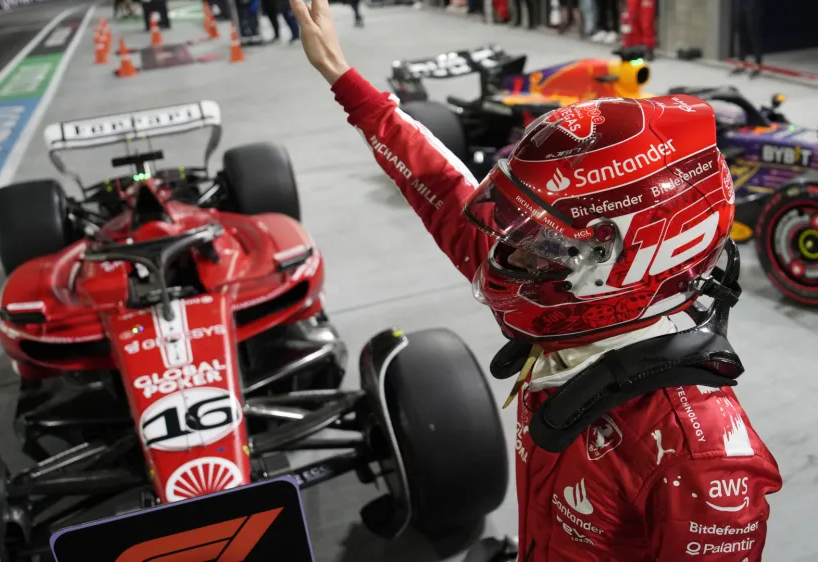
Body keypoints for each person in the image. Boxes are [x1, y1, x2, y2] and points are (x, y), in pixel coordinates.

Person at [288, 0, 783, 559]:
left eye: (538, 246)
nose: (503, 256)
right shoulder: (570, 312)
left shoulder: (702, 457)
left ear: (619, 263)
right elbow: (447, 195)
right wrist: (340, 73)